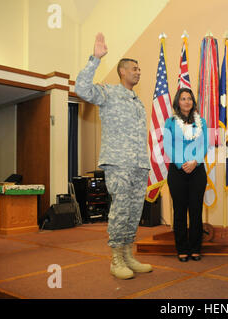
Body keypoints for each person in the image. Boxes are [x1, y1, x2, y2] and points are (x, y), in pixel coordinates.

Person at [75, 32, 152, 280]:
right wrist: (95, 59)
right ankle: (116, 258)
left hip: (139, 166)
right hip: (118, 163)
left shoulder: (136, 101)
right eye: (134, 68)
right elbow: (81, 89)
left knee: (133, 211)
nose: (138, 72)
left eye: (140, 69)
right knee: (120, 211)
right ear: (122, 72)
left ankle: (128, 254)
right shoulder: (109, 93)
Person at [163, 88, 208, 262]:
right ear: (177, 102)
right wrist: (182, 164)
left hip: (197, 170)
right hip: (177, 172)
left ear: (193, 102)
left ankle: (196, 248)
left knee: (196, 211)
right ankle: (182, 248)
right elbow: (168, 146)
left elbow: (205, 144)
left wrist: (195, 161)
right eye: (183, 98)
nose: (187, 101)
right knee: (179, 211)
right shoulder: (170, 122)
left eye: (189, 98)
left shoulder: (201, 121)